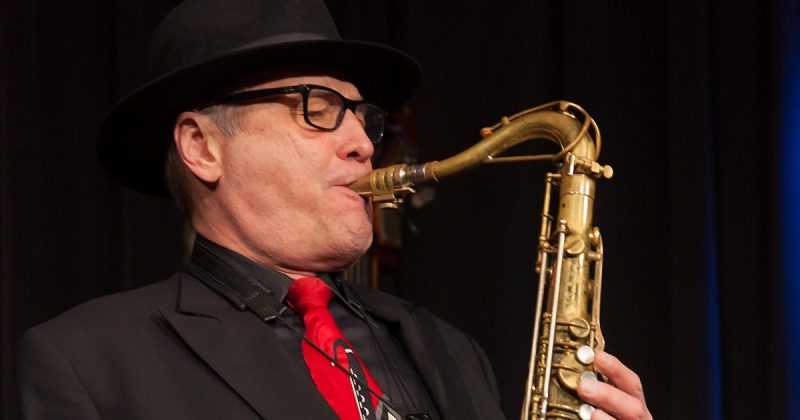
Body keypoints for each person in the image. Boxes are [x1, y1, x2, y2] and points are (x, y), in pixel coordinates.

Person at [16, 0, 652, 419]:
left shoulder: (453, 351)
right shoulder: (89, 362)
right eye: (317, 109)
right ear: (201, 147)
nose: (362, 144)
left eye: (363, 118)